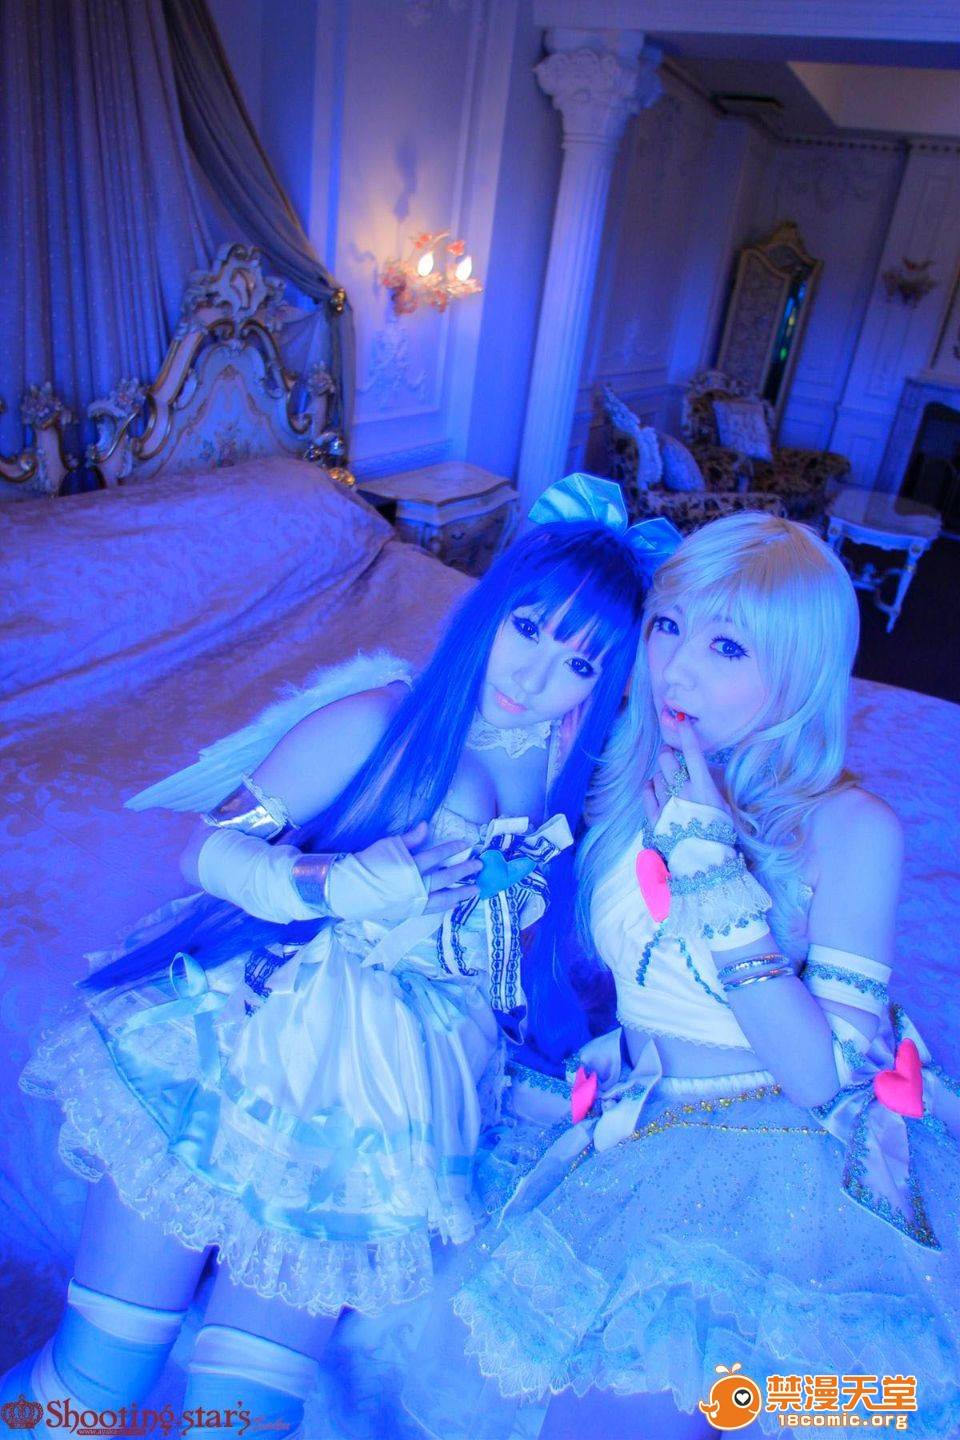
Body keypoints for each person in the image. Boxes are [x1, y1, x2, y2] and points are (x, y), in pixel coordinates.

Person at [1, 481, 674, 1440]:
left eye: (578, 663)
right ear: (490, 605)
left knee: (241, 1419)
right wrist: (335, 883)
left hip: (394, 1101)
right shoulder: (376, 718)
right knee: (94, 1388)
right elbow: (206, 848)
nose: (534, 675)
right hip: (250, 1041)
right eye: (527, 627)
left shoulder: (581, 785)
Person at [404, 512, 960, 1440]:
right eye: (666, 626)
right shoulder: (632, 773)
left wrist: (710, 868)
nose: (676, 669)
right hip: (644, 1116)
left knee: (771, 1403)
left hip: (783, 1167)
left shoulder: (853, 827)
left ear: (801, 669)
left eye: (726, 645)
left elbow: (823, 1078)